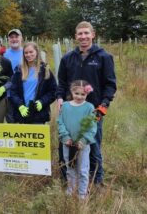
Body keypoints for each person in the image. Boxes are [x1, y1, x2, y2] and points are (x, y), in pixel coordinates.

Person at [56, 21, 117, 187]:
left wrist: (103, 106)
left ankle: (96, 180)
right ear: (75, 36)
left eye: (86, 33)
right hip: (71, 109)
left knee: (92, 144)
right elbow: (61, 82)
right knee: (66, 142)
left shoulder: (103, 57)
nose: (83, 37)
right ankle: (67, 179)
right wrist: (60, 98)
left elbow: (110, 84)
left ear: (93, 34)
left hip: (93, 109)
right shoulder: (68, 58)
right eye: (80, 34)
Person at [58, 80, 97, 199]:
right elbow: (60, 122)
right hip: (68, 144)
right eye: (77, 93)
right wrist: (65, 137)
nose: (79, 97)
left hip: (82, 145)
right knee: (70, 168)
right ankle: (71, 191)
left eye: (83, 94)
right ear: (71, 91)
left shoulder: (89, 107)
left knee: (83, 169)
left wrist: (83, 140)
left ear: (87, 94)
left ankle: (82, 194)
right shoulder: (65, 106)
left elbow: (92, 126)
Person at [10, 42, 56, 124]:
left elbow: (53, 91)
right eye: (26, 53)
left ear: (37, 52)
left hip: (38, 114)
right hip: (22, 113)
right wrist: (20, 106)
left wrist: (42, 102)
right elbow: (13, 92)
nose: (28, 55)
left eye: (31, 52)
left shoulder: (44, 70)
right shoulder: (18, 70)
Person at [3, 28, 24, 123]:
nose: (14, 39)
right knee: (11, 120)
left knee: (24, 120)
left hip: (24, 93)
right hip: (9, 94)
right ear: (8, 39)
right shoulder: (3, 54)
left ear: (21, 38)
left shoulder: (27, 53)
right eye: (11, 37)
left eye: (16, 37)